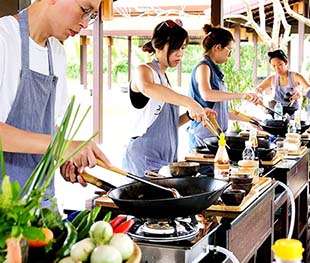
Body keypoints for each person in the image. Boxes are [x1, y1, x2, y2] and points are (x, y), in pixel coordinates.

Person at [0, 0, 111, 204]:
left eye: (92, 16)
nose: (85, 24)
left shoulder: (56, 53)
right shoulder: (4, 38)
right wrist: (61, 145)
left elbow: (46, 125)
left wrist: (65, 157)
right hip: (5, 214)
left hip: (40, 204)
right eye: (85, 10)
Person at [122, 19, 213, 177]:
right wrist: (190, 102)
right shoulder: (144, 71)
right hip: (143, 161)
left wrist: (190, 116)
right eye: (175, 47)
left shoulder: (164, 78)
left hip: (166, 163)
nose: (180, 53)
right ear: (158, 46)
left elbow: (168, 126)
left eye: (182, 48)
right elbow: (147, 87)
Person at [188, 24, 261, 151]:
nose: (230, 55)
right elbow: (207, 94)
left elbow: (221, 113)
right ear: (217, 47)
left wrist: (248, 119)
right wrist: (242, 95)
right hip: (203, 137)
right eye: (229, 51)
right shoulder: (203, 67)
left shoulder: (215, 70)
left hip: (216, 135)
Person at [255, 49, 310, 114]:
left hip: (293, 113)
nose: (277, 68)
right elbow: (258, 90)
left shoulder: (296, 76)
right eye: (274, 66)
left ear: (286, 62)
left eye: (280, 65)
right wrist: (259, 96)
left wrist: (300, 93)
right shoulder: (272, 79)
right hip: (276, 113)